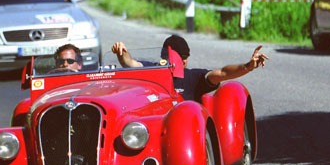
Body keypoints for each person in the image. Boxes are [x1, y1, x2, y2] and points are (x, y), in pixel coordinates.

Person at [112, 35, 268, 102]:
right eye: (180, 56)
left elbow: (223, 73)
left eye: (185, 57)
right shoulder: (153, 71)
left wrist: (247, 66)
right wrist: (122, 53)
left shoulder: (194, 78)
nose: (184, 60)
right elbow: (131, 64)